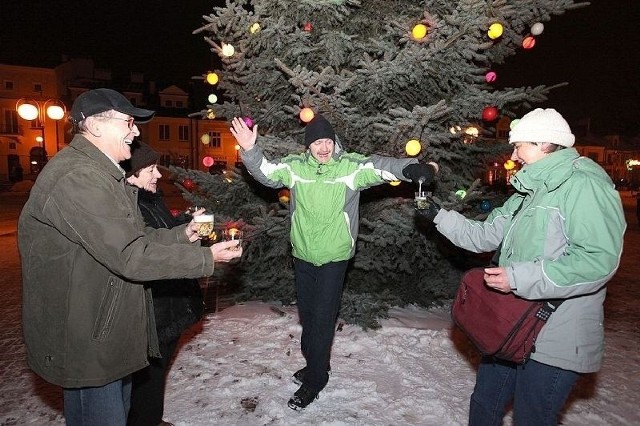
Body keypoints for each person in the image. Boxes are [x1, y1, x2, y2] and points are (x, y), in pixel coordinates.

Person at [18, 88, 242, 426]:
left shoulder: (101, 175)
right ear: (94, 126)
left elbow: (137, 238)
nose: (135, 131)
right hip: (88, 333)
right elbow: (131, 255)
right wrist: (206, 259)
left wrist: (184, 234)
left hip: (102, 327)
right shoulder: (79, 178)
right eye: (128, 122)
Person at [416, 108, 626, 425]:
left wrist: (517, 278)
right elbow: (485, 236)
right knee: (485, 405)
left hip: (557, 333)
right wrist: (438, 216)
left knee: (532, 417)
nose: (513, 153)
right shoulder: (528, 192)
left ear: (544, 144)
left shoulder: (584, 186)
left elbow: (597, 260)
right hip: (510, 325)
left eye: (519, 145)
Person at [230, 114, 438, 410]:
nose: (323, 147)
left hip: (334, 257)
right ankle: (315, 362)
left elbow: (380, 167)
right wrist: (250, 149)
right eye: (317, 142)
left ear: (335, 142)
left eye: (327, 141)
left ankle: (316, 379)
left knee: (323, 319)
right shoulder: (295, 167)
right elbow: (266, 173)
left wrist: (412, 168)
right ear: (308, 146)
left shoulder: (349, 168)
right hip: (303, 255)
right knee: (308, 316)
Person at [121, 142, 204, 426]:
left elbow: (161, 233)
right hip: (153, 309)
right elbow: (147, 251)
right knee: (147, 376)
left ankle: (152, 419)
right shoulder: (131, 206)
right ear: (130, 174)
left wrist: (185, 223)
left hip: (168, 304)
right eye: (151, 169)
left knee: (156, 372)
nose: (158, 174)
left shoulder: (150, 198)